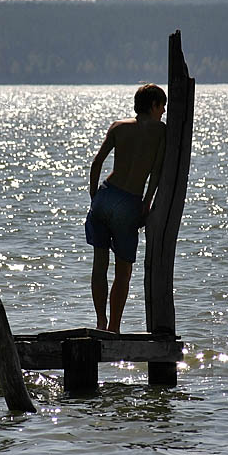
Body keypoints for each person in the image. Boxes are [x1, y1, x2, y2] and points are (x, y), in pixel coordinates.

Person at [85, 83, 167, 333]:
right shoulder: (162, 132)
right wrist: (147, 201)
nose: (163, 111)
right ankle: (114, 328)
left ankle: (100, 322)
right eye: (162, 106)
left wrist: (94, 196)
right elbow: (156, 173)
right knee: (123, 271)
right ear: (153, 105)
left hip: (105, 195)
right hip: (129, 201)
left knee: (99, 264)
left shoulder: (118, 127)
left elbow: (97, 162)